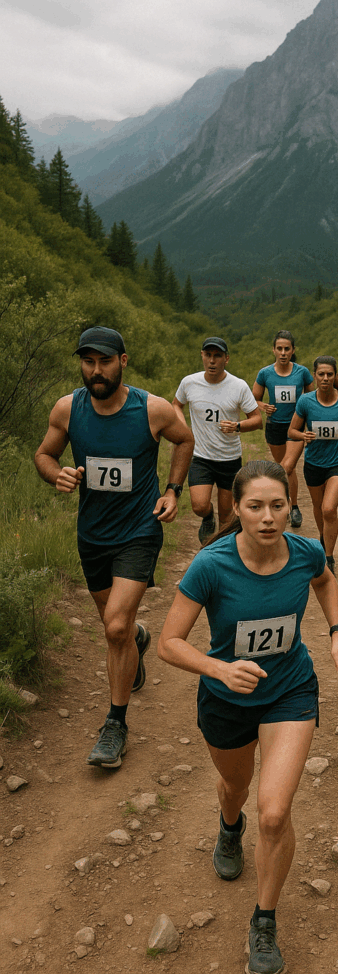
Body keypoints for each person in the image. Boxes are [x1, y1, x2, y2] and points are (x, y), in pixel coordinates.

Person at [157, 460, 338, 974]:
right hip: (226, 698)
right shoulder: (211, 564)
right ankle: (229, 825)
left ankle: (263, 921)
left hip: (289, 690)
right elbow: (168, 643)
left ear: (290, 508)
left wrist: (337, 631)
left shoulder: (304, 551)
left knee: (274, 813)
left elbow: (326, 580)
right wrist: (219, 669)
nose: (268, 517)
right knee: (235, 788)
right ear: (237, 510)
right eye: (255, 506)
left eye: (277, 506)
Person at [34, 326, 194, 769]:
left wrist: (173, 490)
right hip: (93, 536)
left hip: (139, 533)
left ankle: (116, 724)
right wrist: (56, 474)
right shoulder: (68, 408)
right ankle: (136, 640)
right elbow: (44, 455)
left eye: (105, 361)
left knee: (114, 627)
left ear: (123, 361)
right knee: (116, 626)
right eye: (88, 362)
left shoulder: (153, 409)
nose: (96, 370)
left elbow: (184, 440)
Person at [173, 337, 262, 543]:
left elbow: (257, 420)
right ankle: (207, 517)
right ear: (202, 356)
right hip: (201, 457)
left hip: (229, 459)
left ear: (226, 359)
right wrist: (184, 429)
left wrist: (237, 425)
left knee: (227, 518)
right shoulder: (189, 382)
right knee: (199, 505)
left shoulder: (238, 386)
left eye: (218, 356)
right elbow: (176, 404)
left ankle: (219, 555)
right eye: (208, 355)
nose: (212, 361)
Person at [286, 356, 338, 574]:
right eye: (321, 374)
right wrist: (303, 435)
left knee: (329, 509)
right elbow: (291, 431)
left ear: (336, 376)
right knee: (319, 509)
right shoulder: (305, 401)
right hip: (314, 463)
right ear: (315, 376)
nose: (325, 378)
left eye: (330, 374)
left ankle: (328, 557)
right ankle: (323, 539)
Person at [253, 331, 314, 529]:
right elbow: (253, 399)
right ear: (273, 350)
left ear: (293, 350)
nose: (283, 352)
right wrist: (263, 406)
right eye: (279, 348)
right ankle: (284, 504)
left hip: (295, 428)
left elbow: (313, 398)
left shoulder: (302, 372)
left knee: (287, 467)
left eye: (287, 348)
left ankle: (292, 506)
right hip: (275, 426)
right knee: (282, 468)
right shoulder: (265, 373)